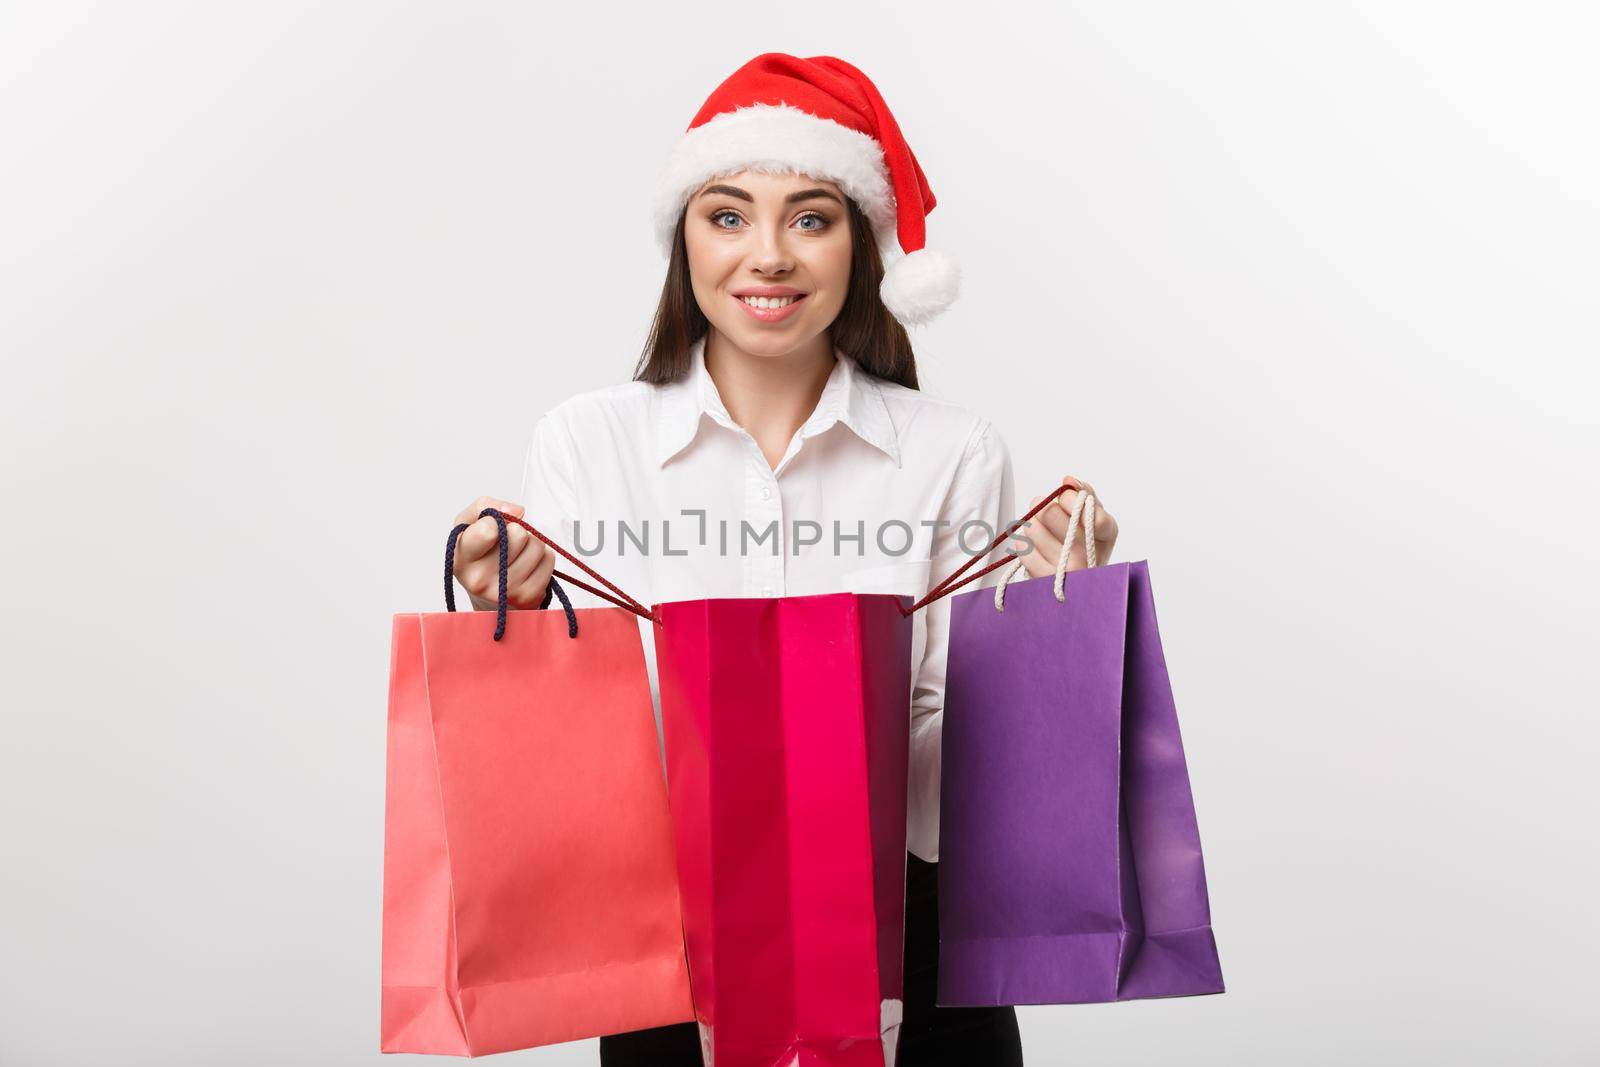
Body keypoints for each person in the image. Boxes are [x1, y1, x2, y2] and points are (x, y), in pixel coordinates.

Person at [448, 53, 1119, 1067]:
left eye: (811, 216)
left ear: (861, 246)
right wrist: (519, 620)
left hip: (913, 952)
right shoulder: (588, 443)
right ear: (683, 238)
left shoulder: (953, 452)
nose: (768, 255)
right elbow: (591, 765)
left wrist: (1046, 626)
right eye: (727, 215)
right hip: (677, 956)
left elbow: (951, 797)